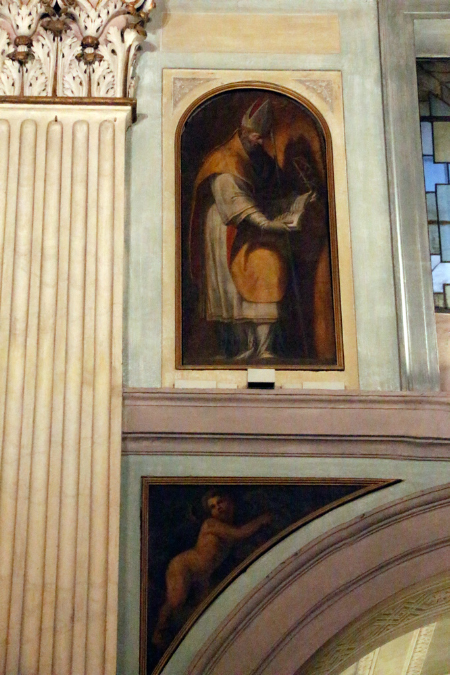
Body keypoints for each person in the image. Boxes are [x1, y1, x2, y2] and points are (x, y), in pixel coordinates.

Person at [190, 97, 314, 361]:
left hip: (244, 225)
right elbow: (237, 202)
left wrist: (295, 203)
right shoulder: (225, 160)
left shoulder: (252, 158)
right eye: (257, 137)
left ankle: (260, 347)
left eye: (262, 138)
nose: (260, 142)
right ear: (244, 133)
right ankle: (247, 346)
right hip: (226, 227)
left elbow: (259, 198)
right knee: (239, 283)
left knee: (261, 269)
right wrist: (268, 224)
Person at [151, 490, 271, 649]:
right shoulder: (211, 524)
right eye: (213, 507)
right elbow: (240, 533)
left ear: (230, 501)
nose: (218, 508)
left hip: (204, 576)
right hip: (185, 566)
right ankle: (159, 632)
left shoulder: (229, 526)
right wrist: (261, 520)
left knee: (203, 611)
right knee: (176, 600)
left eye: (220, 502)